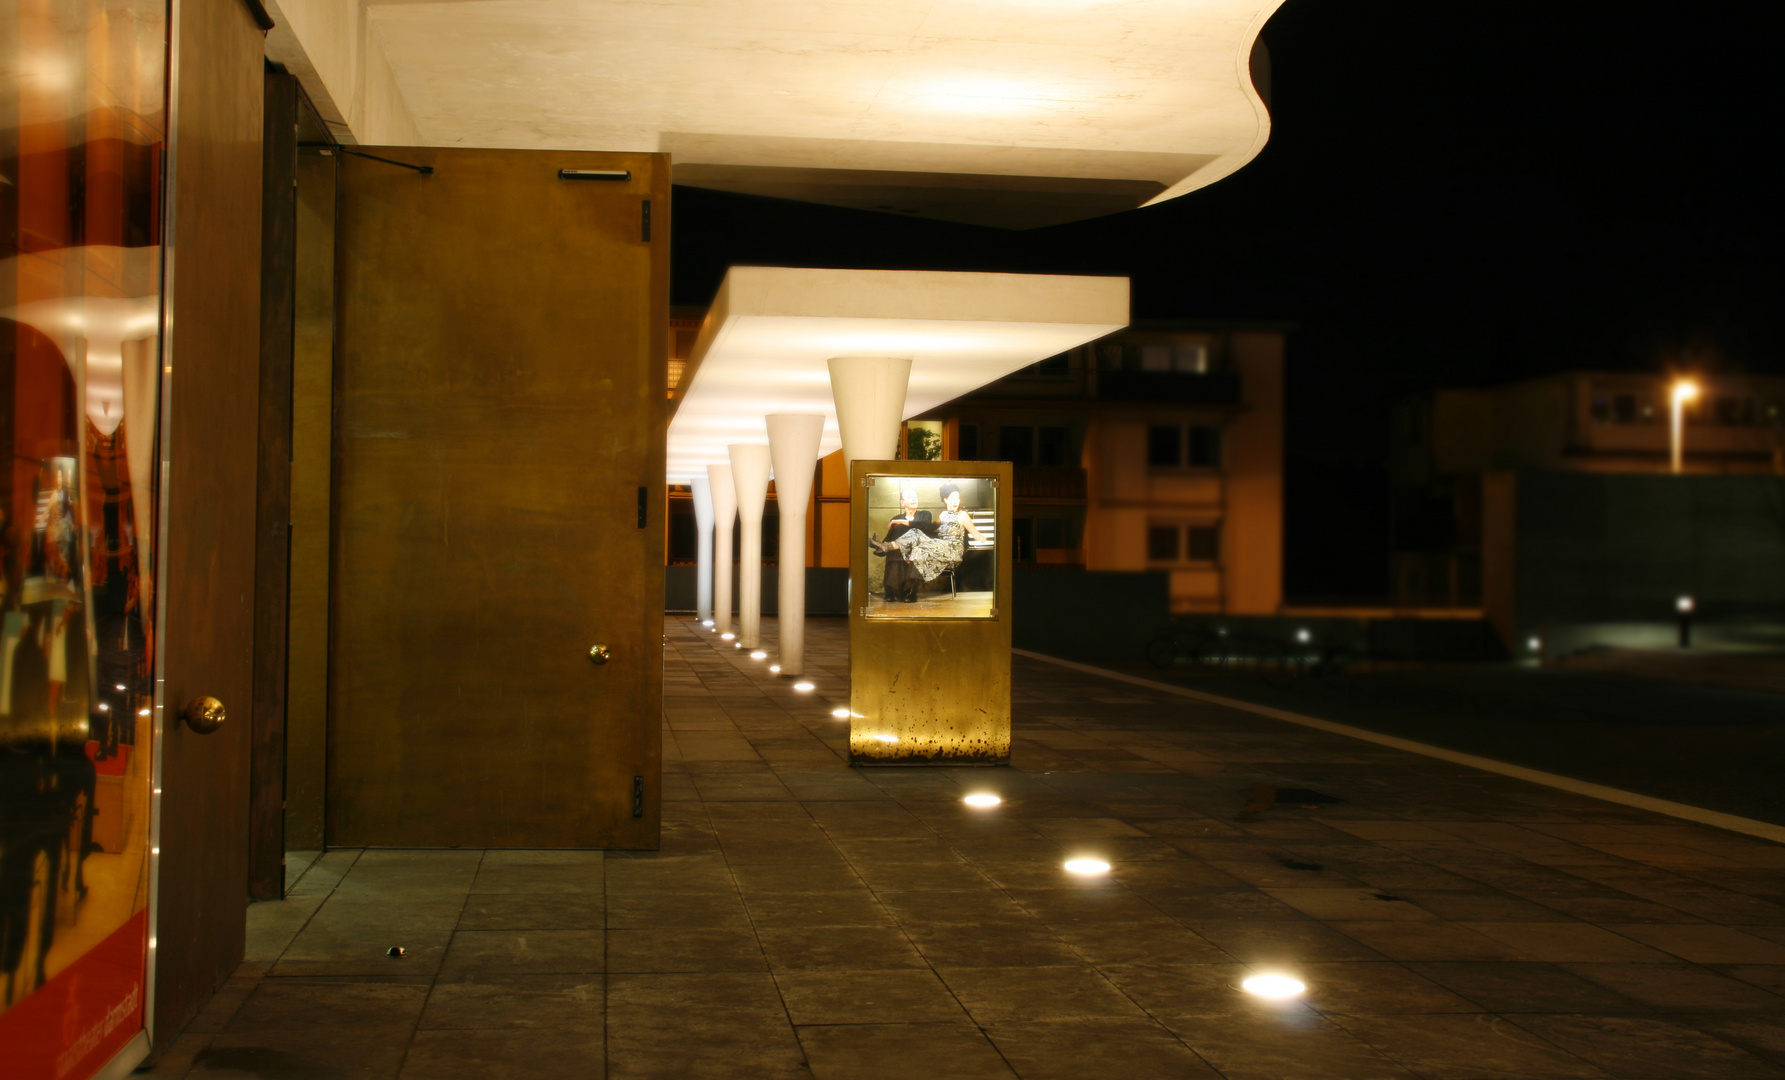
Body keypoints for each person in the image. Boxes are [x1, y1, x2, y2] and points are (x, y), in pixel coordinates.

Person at [869, 482, 987, 591]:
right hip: (940, 546)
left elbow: (976, 534)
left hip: (953, 549)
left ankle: (886, 547)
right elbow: (929, 528)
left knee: (918, 546)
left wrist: (984, 538)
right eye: (952, 498)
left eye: (957, 498)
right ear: (945, 500)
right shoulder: (943, 515)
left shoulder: (963, 515)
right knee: (916, 536)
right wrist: (901, 522)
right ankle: (889, 551)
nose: (956, 501)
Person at [879, 487, 932, 602]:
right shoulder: (896, 519)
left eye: (915, 496)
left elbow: (924, 525)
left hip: (918, 551)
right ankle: (890, 591)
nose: (914, 498)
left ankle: (911, 592)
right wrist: (884, 543)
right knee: (893, 552)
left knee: (916, 554)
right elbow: (890, 538)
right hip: (900, 554)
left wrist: (899, 522)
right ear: (902, 502)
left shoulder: (924, 515)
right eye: (909, 497)